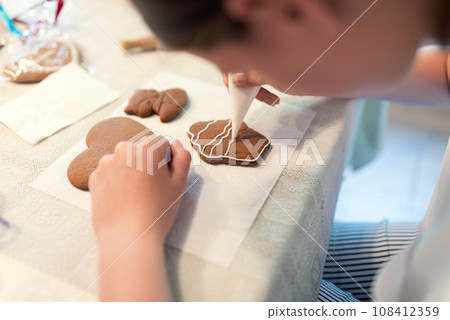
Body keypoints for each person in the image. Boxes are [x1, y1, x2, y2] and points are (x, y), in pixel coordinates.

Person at [89, 0, 450, 301]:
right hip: (433, 244)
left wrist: (127, 236)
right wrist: (331, 71)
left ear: (297, 11)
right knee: (287, 250)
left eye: (230, 62)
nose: (240, 76)